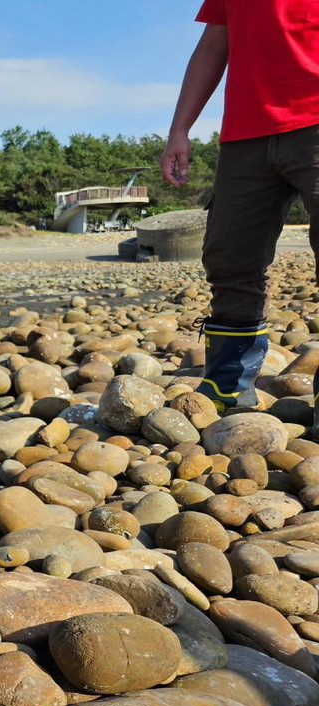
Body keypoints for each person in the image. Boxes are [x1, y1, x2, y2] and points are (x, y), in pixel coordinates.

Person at [160, 0, 319, 415]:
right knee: (229, 257)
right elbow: (213, 47)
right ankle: (228, 387)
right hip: (245, 133)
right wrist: (180, 129)